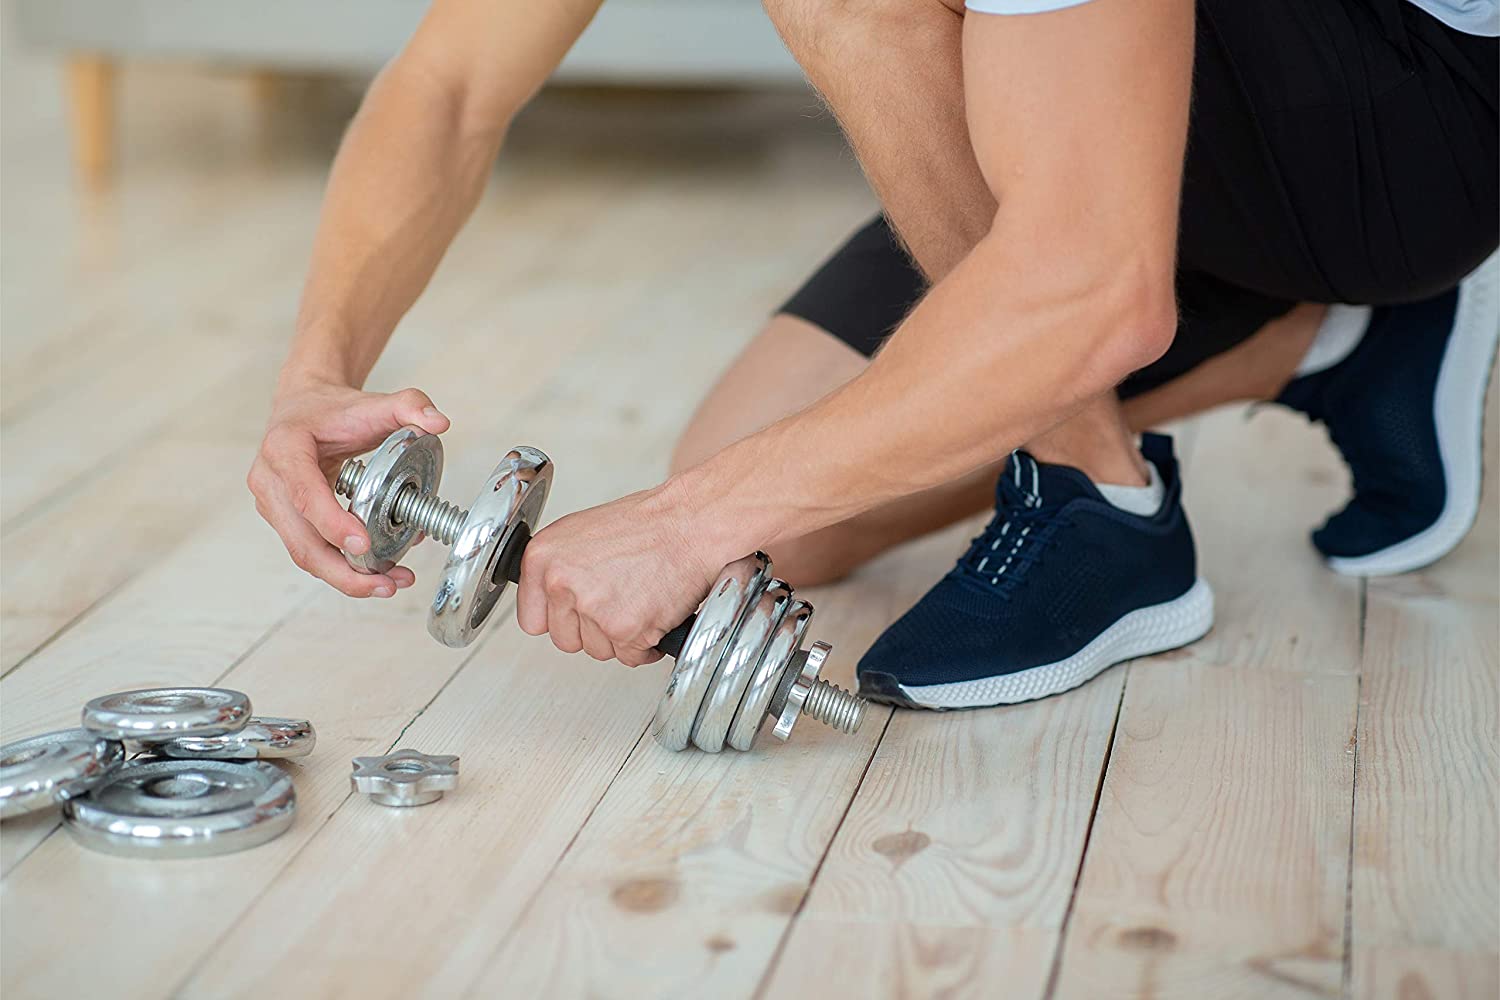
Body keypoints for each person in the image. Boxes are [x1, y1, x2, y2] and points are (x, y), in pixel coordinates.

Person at [249, 0, 1498, 711]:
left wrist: (680, 527)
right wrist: (316, 367)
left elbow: (1097, 292)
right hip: (1102, 96)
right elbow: (453, 87)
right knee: (784, 518)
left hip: (1411, 119)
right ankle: (1313, 340)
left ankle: (1105, 508)